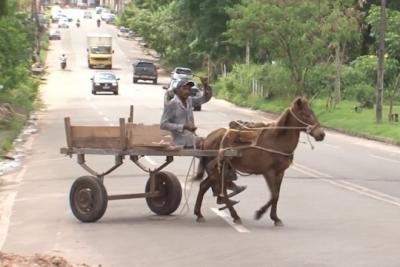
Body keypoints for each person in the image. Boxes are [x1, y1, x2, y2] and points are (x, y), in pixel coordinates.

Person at [160, 77, 246, 203]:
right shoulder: (172, 104)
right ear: (178, 90)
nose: (187, 91)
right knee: (214, 155)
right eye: (184, 88)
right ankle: (226, 188)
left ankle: (223, 189)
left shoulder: (189, 101)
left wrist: (206, 86)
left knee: (220, 151)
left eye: (189, 88)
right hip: (180, 141)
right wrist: (183, 126)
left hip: (193, 138)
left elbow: (204, 99)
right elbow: (163, 124)